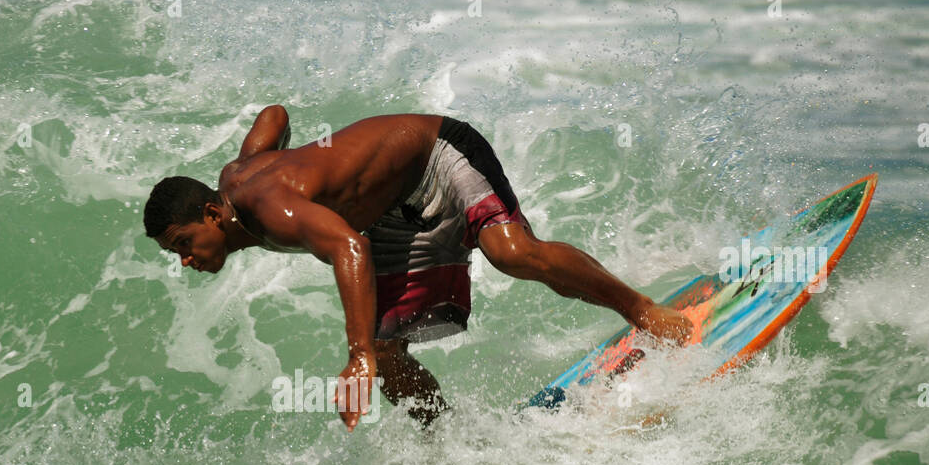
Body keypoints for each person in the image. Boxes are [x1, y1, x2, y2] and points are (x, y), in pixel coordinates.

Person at [143, 107, 693, 430]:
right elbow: (274, 116)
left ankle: (645, 312)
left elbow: (349, 250)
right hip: (389, 209)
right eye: (176, 255)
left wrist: (355, 357)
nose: (187, 260)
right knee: (388, 356)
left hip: (435, 152)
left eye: (185, 243)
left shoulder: (273, 211)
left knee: (511, 253)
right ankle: (448, 439)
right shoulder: (235, 177)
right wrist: (289, 157)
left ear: (214, 212)